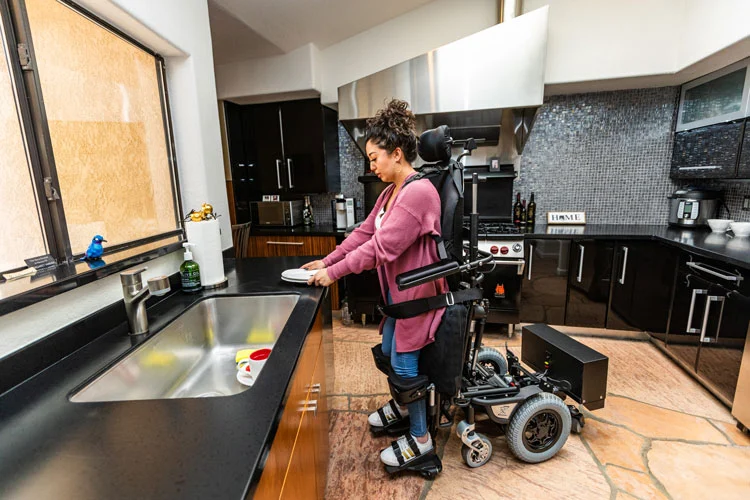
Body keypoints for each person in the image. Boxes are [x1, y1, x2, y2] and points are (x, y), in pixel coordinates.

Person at [303, 99, 448, 467]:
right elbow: (364, 232)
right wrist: (329, 258)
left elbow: (381, 248)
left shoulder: (418, 193)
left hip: (418, 296)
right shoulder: (390, 193)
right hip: (398, 298)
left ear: (396, 154)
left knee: (402, 364)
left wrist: (334, 274)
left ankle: (420, 439)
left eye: (374, 158)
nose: (371, 165)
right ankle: (404, 410)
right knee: (387, 350)